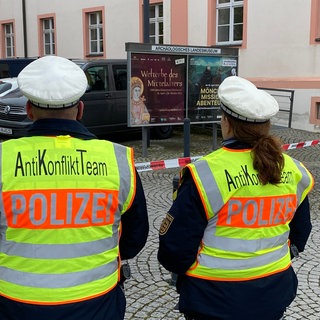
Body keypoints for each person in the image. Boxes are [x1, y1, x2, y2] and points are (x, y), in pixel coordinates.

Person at [0, 55, 149, 320]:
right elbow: (134, 237)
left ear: (29, 110)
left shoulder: (3, 158)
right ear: (80, 110)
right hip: (97, 302)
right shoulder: (117, 160)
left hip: (15, 305)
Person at [158, 76, 314, 320]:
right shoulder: (294, 169)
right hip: (273, 292)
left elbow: (174, 250)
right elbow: (301, 233)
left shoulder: (206, 173)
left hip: (213, 299)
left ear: (226, 122)